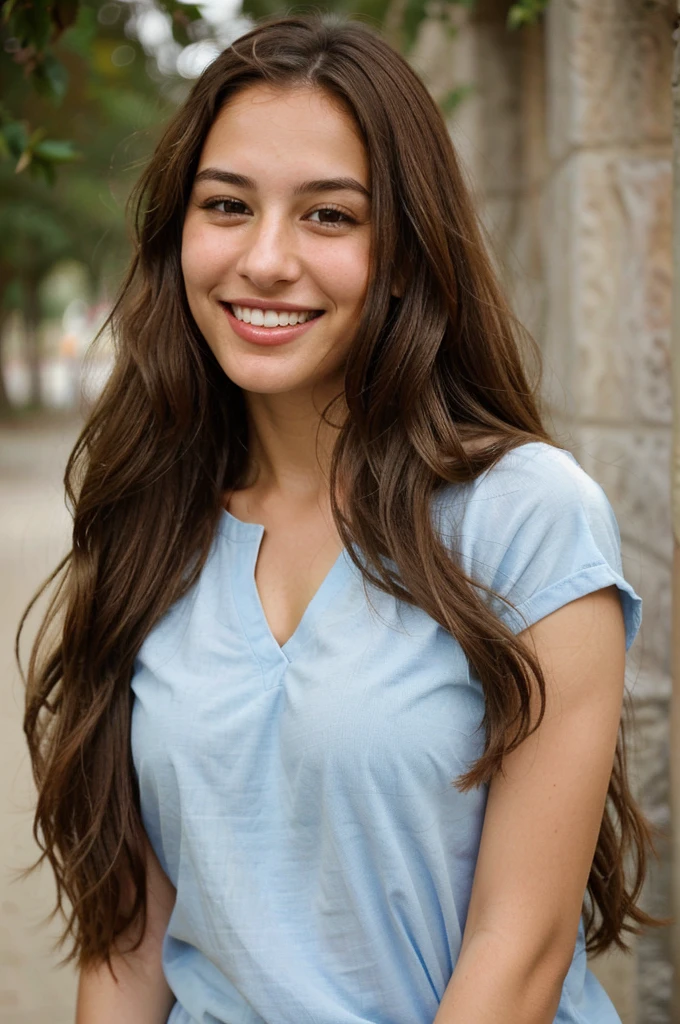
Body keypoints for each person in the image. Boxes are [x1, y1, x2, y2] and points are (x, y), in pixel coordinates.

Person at [20, 11, 669, 1024]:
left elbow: (520, 948)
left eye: (329, 216)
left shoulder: (526, 518)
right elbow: (126, 940)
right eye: (227, 205)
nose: (266, 260)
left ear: (407, 251)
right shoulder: (147, 520)